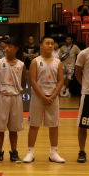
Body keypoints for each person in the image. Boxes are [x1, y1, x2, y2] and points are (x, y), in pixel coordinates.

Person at [24, 36, 65, 164]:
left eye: (52, 43)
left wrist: (52, 96)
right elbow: (32, 81)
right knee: (34, 125)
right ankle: (30, 152)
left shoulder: (58, 62)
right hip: (38, 97)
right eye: (47, 43)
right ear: (41, 45)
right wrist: (43, 97)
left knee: (54, 125)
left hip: (53, 97)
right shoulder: (35, 61)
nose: (50, 46)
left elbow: (61, 80)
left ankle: (54, 153)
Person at [0, 37, 27, 164]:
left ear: (16, 49)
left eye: (10, 47)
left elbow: (23, 83)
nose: (6, 48)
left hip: (16, 98)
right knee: (0, 128)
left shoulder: (21, 65)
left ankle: (14, 152)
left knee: (14, 128)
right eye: (6, 46)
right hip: (2, 97)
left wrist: (15, 90)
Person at [75, 29, 89, 163]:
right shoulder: (83, 54)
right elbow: (77, 73)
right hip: (88, 94)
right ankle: (82, 151)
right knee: (83, 125)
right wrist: (86, 86)